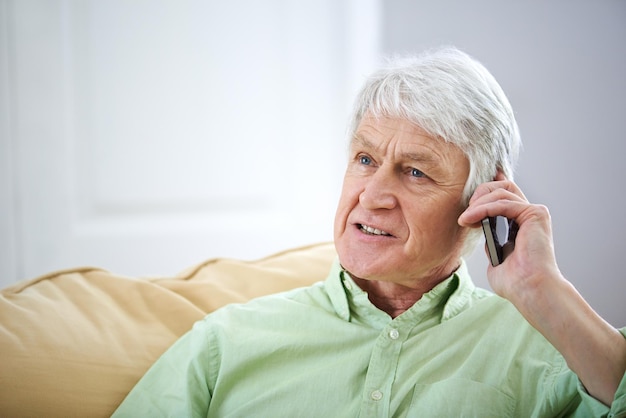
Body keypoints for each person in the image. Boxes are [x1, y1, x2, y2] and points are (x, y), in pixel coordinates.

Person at [113, 47, 626, 417]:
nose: (372, 194)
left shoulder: (551, 355)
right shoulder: (226, 343)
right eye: (365, 159)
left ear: (481, 203)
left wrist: (545, 293)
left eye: (415, 171)